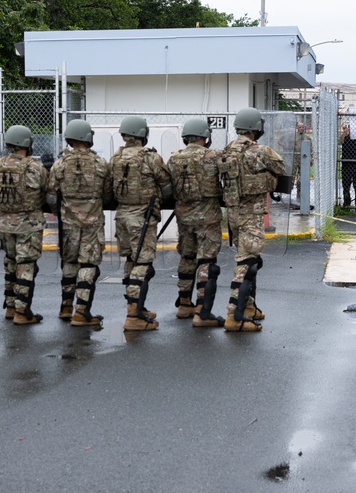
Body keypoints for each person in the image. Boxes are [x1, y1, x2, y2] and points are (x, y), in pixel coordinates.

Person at [219, 108, 285, 333]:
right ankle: (234, 314)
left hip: (233, 213)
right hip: (252, 213)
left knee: (249, 259)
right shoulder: (260, 151)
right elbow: (281, 166)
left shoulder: (227, 151)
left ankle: (248, 307)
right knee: (246, 263)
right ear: (256, 128)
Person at [46, 119, 113, 326]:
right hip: (92, 223)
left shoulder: (60, 164)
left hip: (68, 223)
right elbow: (109, 194)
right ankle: (81, 311)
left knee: (70, 262)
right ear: (87, 138)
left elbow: (50, 196)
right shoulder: (100, 164)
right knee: (88, 264)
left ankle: (66, 307)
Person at [108, 116, 172, 331]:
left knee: (130, 262)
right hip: (142, 218)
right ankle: (133, 316)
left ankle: (136, 307)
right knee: (143, 264)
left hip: (122, 217)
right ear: (143, 134)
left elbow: (109, 188)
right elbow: (167, 187)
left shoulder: (116, 158)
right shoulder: (150, 158)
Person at [167, 118, 224, 327]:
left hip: (184, 217)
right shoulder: (213, 156)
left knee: (187, 256)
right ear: (205, 137)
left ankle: (184, 304)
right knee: (207, 261)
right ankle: (202, 310)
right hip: (208, 216)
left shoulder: (174, 159)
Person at [0, 125, 50, 325]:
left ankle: (10, 306)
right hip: (29, 224)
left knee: (10, 263)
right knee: (26, 266)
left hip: (6, 223)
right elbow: (47, 190)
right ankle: (22, 312)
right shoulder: (34, 167)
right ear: (27, 143)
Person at [340, 123, 356, 210]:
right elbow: (341, 141)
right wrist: (344, 133)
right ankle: (347, 202)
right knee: (346, 185)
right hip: (346, 163)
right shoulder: (345, 137)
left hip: (355, 164)